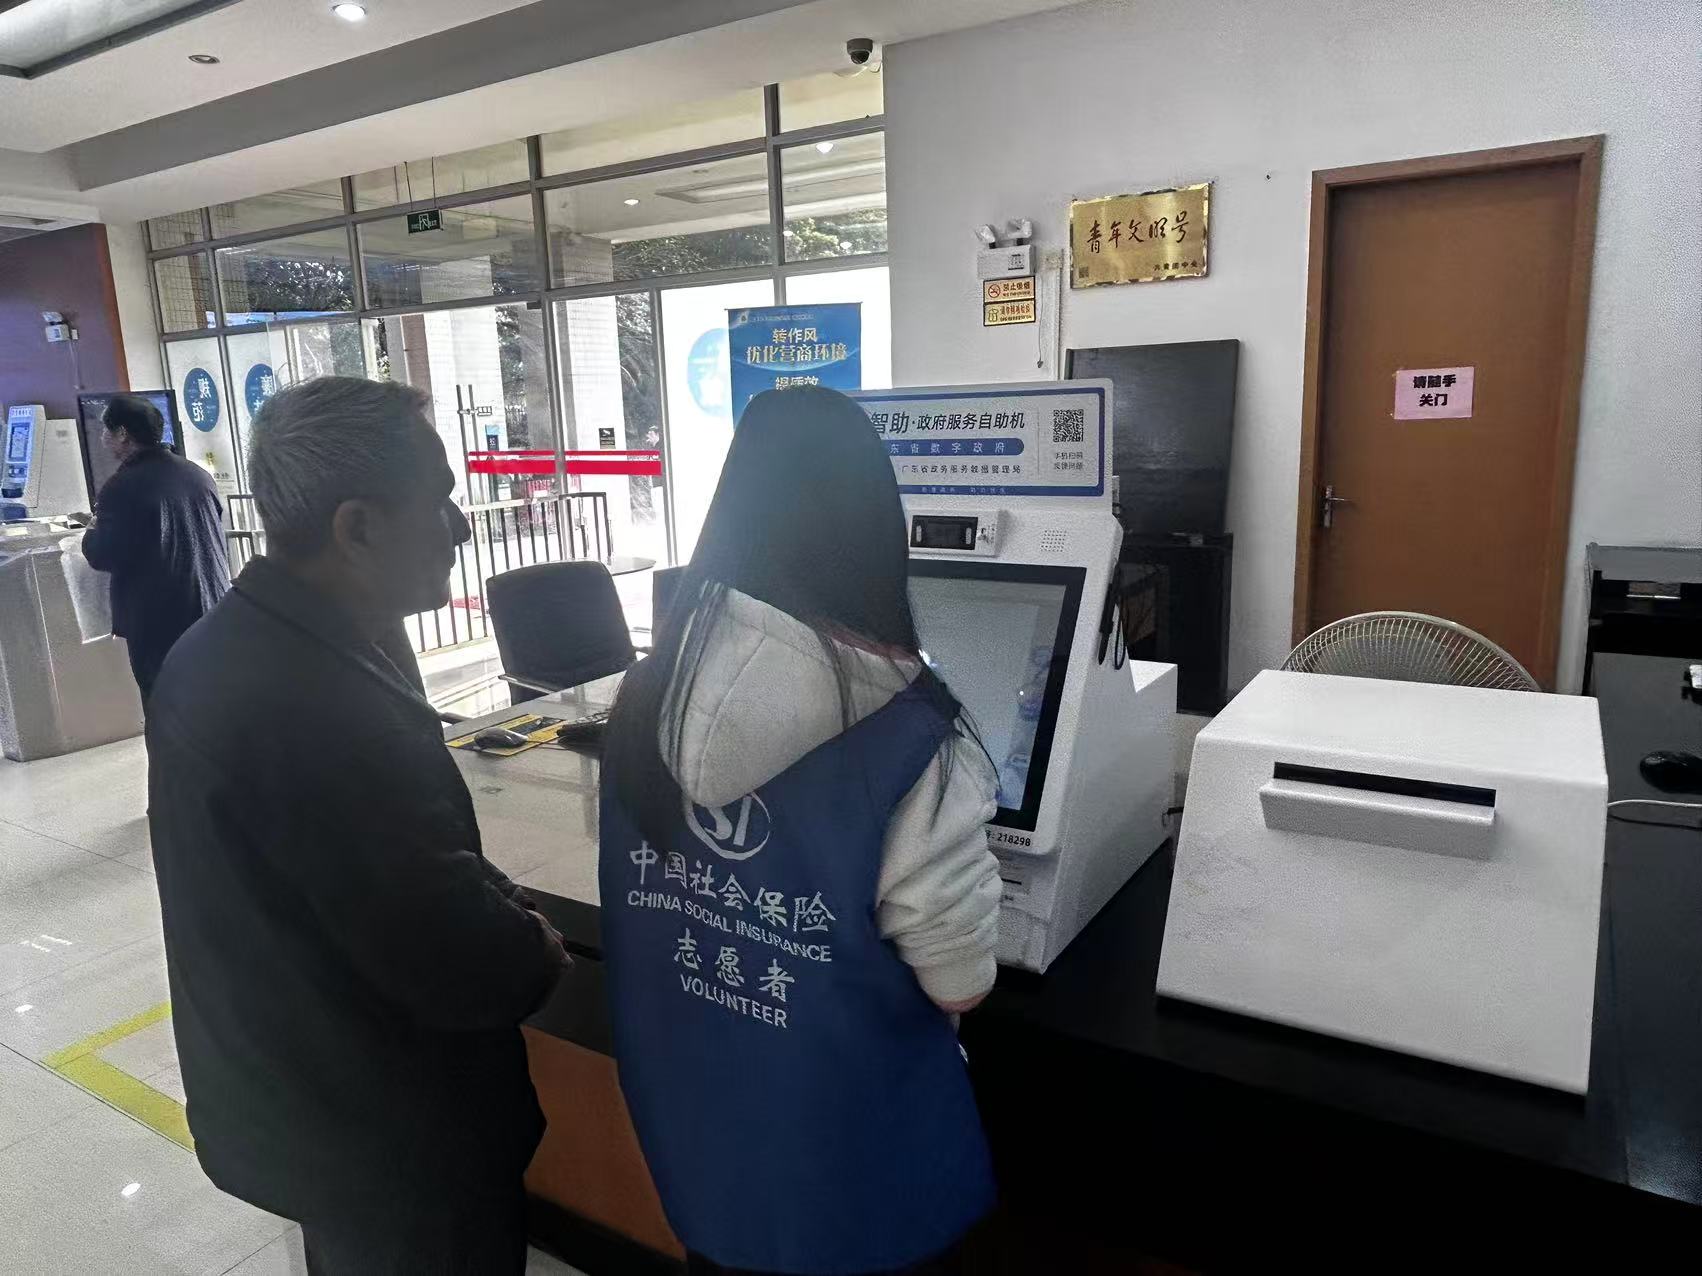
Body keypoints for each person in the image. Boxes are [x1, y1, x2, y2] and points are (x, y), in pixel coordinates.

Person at [146, 377, 568, 1275]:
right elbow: (449, 954)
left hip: (304, 1102)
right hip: (391, 1140)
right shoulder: (318, 708)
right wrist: (535, 942)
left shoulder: (223, 647)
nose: (461, 527)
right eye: (439, 500)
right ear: (358, 528)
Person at [600, 386, 1003, 1276]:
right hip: (860, 1184)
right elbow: (962, 983)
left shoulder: (644, 696)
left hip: (705, 1158)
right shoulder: (910, 738)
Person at [80, 393, 230, 701]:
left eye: (107, 429)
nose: (103, 437)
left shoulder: (121, 487)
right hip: (212, 609)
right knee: (212, 702)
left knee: (164, 706)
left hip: (159, 623)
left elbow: (102, 554)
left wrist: (90, 530)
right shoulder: (197, 475)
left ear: (123, 434)